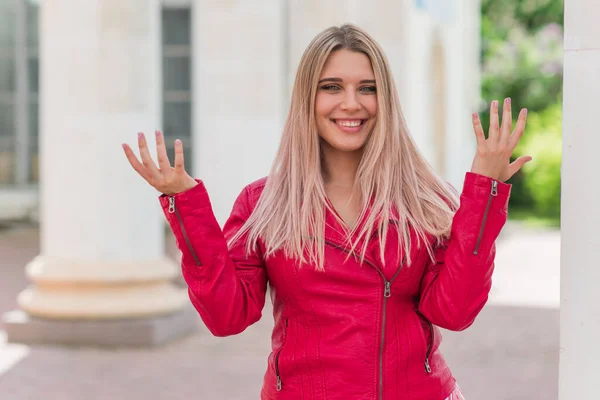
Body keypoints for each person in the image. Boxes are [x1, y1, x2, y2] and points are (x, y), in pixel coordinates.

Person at [122, 24, 531, 400]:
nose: (351, 104)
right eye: (331, 87)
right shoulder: (264, 202)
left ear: (385, 100)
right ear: (307, 98)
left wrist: (484, 194)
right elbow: (227, 316)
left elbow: (454, 313)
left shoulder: (426, 200)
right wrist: (185, 204)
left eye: (367, 88)